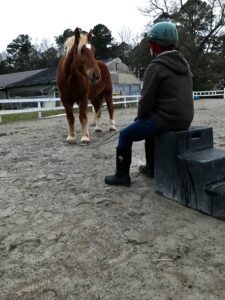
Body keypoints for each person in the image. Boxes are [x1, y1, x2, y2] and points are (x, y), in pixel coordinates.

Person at [105, 21, 194, 187]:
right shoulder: (185, 65)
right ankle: (151, 168)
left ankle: (122, 176)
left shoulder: (156, 67)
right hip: (185, 119)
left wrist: (139, 117)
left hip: (166, 120)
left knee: (126, 135)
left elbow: (146, 100)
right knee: (149, 129)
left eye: (150, 44)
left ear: (154, 45)